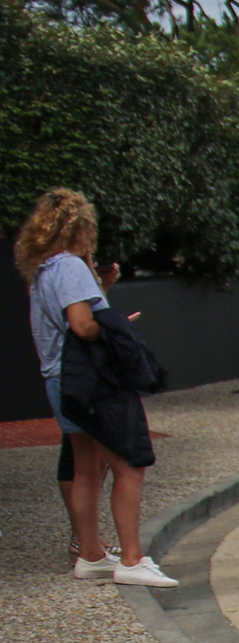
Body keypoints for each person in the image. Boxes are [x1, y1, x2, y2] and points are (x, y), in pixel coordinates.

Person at [17, 189, 175, 587]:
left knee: (85, 468)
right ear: (80, 227)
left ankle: (90, 554)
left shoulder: (42, 272)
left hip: (59, 379)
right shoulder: (70, 267)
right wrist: (115, 323)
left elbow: (70, 318)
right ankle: (133, 559)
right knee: (129, 464)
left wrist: (99, 287)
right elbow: (84, 326)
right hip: (92, 380)